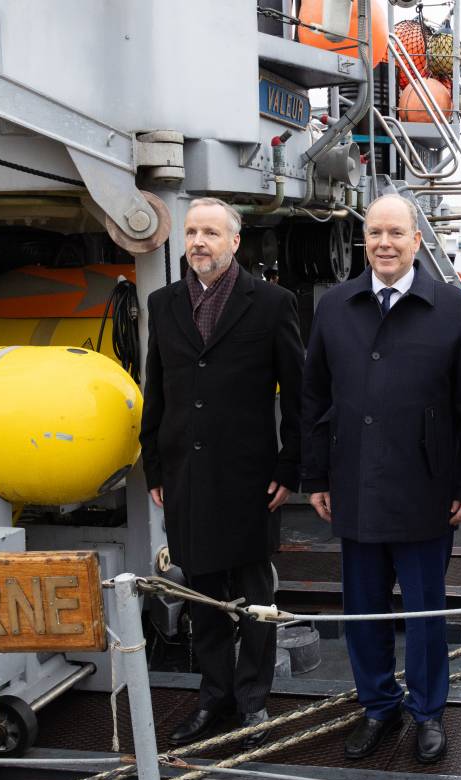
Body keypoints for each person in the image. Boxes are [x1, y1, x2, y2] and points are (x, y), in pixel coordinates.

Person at [300, 193, 461, 765]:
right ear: (365, 241)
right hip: (354, 483)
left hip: (427, 488)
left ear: (416, 241)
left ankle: (429, 712)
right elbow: (313, 397)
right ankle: (378, 706)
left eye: (395, 234)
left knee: (426, 611)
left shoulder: (452, 307)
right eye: (375, 233)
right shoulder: (335, 307)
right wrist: (315, 475)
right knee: (362, 610)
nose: (384, 243)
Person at [139, 197, 305, 750]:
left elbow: (298, 395)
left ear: (236, 241)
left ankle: (253, 698)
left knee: (256, 591)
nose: (198, 242)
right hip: (185, 472)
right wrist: (154, 465)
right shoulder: (163, 305)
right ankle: (214, 696)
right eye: (190, 232)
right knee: (201, 591)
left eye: (210, 232)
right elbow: (155, 389)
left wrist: (290, 465)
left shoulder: (272, 303)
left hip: (250, 474)